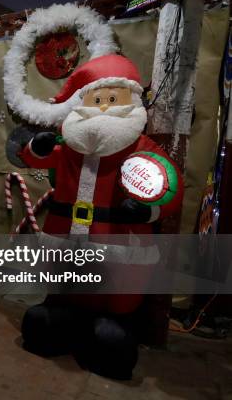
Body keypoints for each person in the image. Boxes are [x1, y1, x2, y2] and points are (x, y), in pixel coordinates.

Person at [17, 55, 184, 380]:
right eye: (97, 100)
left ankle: (108, 334)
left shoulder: (142, 148)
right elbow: (30, 159)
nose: (104, 108)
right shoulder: (68, 148)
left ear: (132, 102)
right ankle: (64, 323)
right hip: (65, 245)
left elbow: (170, 188)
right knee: (46, 317)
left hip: (116, 249)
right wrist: (36, 146)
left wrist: (150, 209)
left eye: (112, 99)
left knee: (111, 335)